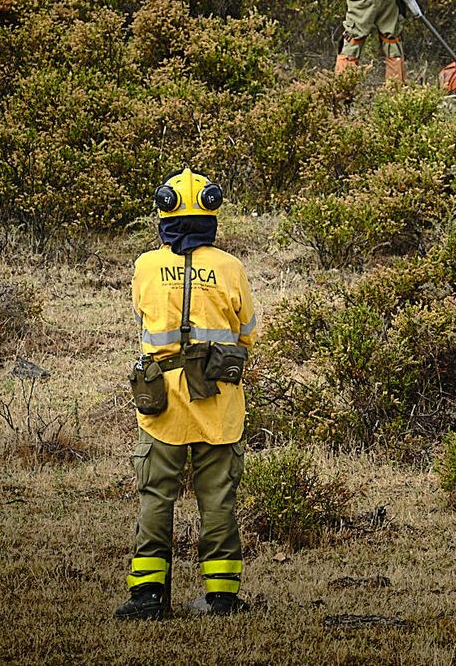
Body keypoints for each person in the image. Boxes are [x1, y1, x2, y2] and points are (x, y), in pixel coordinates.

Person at [115, 169, 258, 619]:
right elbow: (249, 334)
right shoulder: (232, 268)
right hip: (218, 401)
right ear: (212, 215)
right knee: (217, 499)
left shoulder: (145, 266)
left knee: (156, 496)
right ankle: (221, 598)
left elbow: (142, 316)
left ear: (164, 214)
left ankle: (148, 598)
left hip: (162, 405)